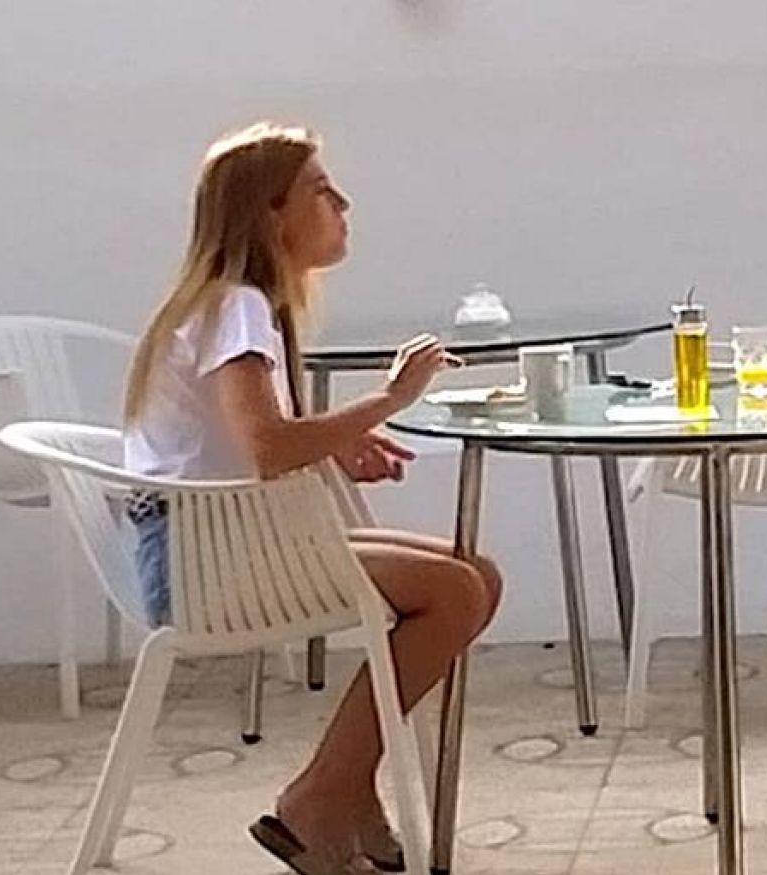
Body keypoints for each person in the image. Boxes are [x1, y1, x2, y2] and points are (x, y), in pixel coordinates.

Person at [122, 122, 502, 875]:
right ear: (271, 214)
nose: (343, 203)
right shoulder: (236, 308)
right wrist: (389, 398)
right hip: (204, 565)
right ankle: (320, 797)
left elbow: (250, 440)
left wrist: (334, 442)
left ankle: (345, 790)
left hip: (216, 545)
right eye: (321, 191)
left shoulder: (234, 304)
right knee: (456, 591)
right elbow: (268, 447)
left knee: (475, 574)